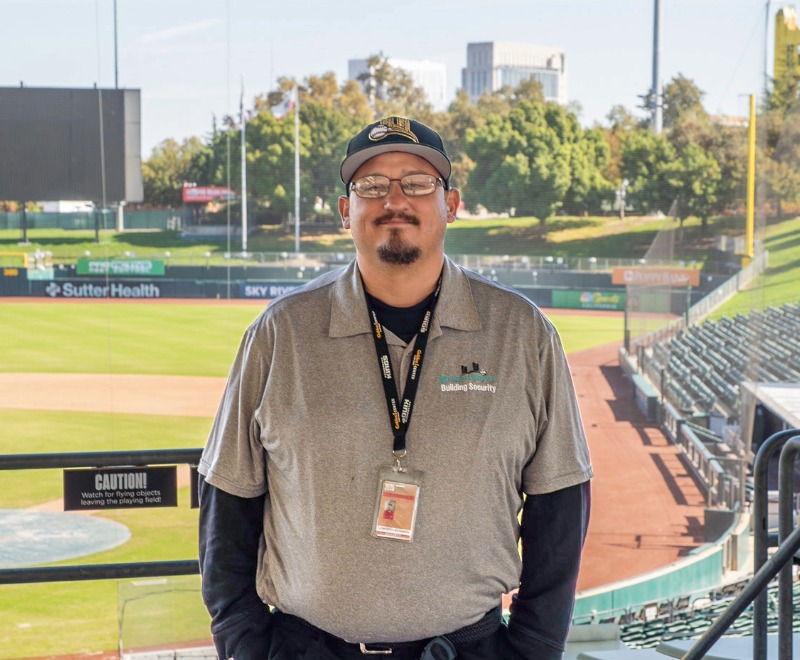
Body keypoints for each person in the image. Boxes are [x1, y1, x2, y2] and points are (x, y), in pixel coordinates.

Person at [198, 116, 593, 660]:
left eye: (417, 183)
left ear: (450, 204)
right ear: (346, 211)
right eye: (371, 186)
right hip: (306, 647)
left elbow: (560, 504)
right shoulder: (280, 333)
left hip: (465, 647)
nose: (394, 199)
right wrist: (245, 646)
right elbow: (228, 502)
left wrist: (532, 649)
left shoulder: (523, 334)